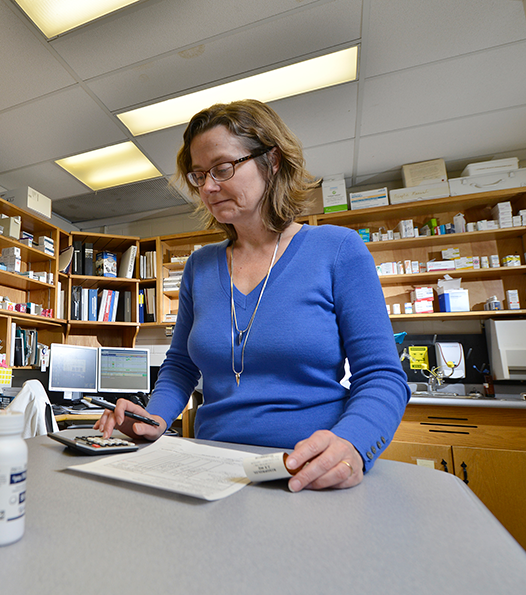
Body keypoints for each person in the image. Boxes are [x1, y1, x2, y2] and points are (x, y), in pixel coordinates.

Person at [95, 99, 410, 492]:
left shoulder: (338, 249)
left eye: (222, 168)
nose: (208, 187)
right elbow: (180, 366)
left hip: (308, 469)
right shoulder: (200, 266)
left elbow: (382, 375)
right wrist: (152, 419)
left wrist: (353, 445)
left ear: (272, 161)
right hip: (211, 469)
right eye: (198, 176)